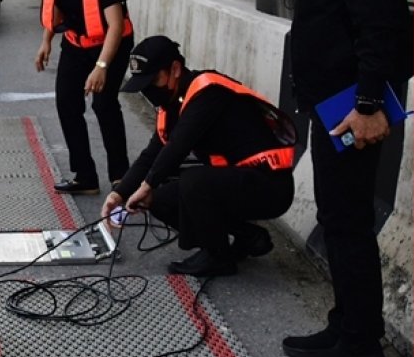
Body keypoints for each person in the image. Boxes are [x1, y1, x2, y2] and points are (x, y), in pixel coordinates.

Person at [234, 0, 411, 357]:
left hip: (350, 110)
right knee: (339, 219)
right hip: (335, 105)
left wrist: (366, 105)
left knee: (350, 224)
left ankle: (362, 349)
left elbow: (379, 17)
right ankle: (347, 325)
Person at [101, 36, 297, 277]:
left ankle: (217, 257)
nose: (149, 90)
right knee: (158, 199)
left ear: (175, 69)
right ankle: (248, 237)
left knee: (194, 182)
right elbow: (152, 154)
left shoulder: (208, 92)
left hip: (269, 186)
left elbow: (178, 146)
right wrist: (119, 193)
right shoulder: (173, 103)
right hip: (235, 181)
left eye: (153, 80)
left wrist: (147, 184)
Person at [35, 0, 134, 194]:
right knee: (67, 104)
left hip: (110, 45)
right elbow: (55, 9)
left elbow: (115, 25)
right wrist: (46, 42)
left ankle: (121, 176)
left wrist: (101, 67)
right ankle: (85, 177)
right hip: (76, 44)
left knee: (104, 105)